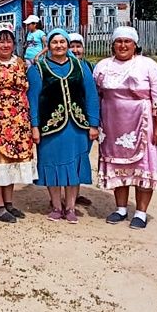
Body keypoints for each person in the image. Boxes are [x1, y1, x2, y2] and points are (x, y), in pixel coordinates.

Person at [93, 26, 157, 230]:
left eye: (127, 41)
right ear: (112, 44)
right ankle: (120, 209)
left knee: (143, 168)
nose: (123, 45)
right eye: (118, 41)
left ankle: (140, 212)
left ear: (135, 44)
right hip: (112, 124)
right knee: (119, 167)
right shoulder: (102, 66)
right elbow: (95, 96)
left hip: (142, 124)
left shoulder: (149, 66)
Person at [27, 28, 100, 224]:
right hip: (50, 128)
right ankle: (56, 206)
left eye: (62, 42)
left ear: (68, 44)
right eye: (54, 42)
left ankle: (70, 207)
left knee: (74, 166)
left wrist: (94, 124)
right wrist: (34, 126)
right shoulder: (37, 69)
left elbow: (91, 95)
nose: (59, 45)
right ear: (48, 46)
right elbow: (32, 99)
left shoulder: (80, 66)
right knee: (52, 165)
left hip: (76, 127)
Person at [0, 24, 38, 223]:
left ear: (14, 43)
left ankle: (9, 202)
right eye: (1, 41)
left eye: (8, 40)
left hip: (17, 121)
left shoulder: (19, 63)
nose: (5, 45)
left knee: (11, 163)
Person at [66, 31, 93, 207]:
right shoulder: (63, 66)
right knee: (66, 156)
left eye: (78, 46)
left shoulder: (90, 67)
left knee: (81, 156)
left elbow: (94, 94)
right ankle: (63, 195)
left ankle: (75, 194)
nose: (75, 50)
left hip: (84, 118)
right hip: (66, 119)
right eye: (72, 46)